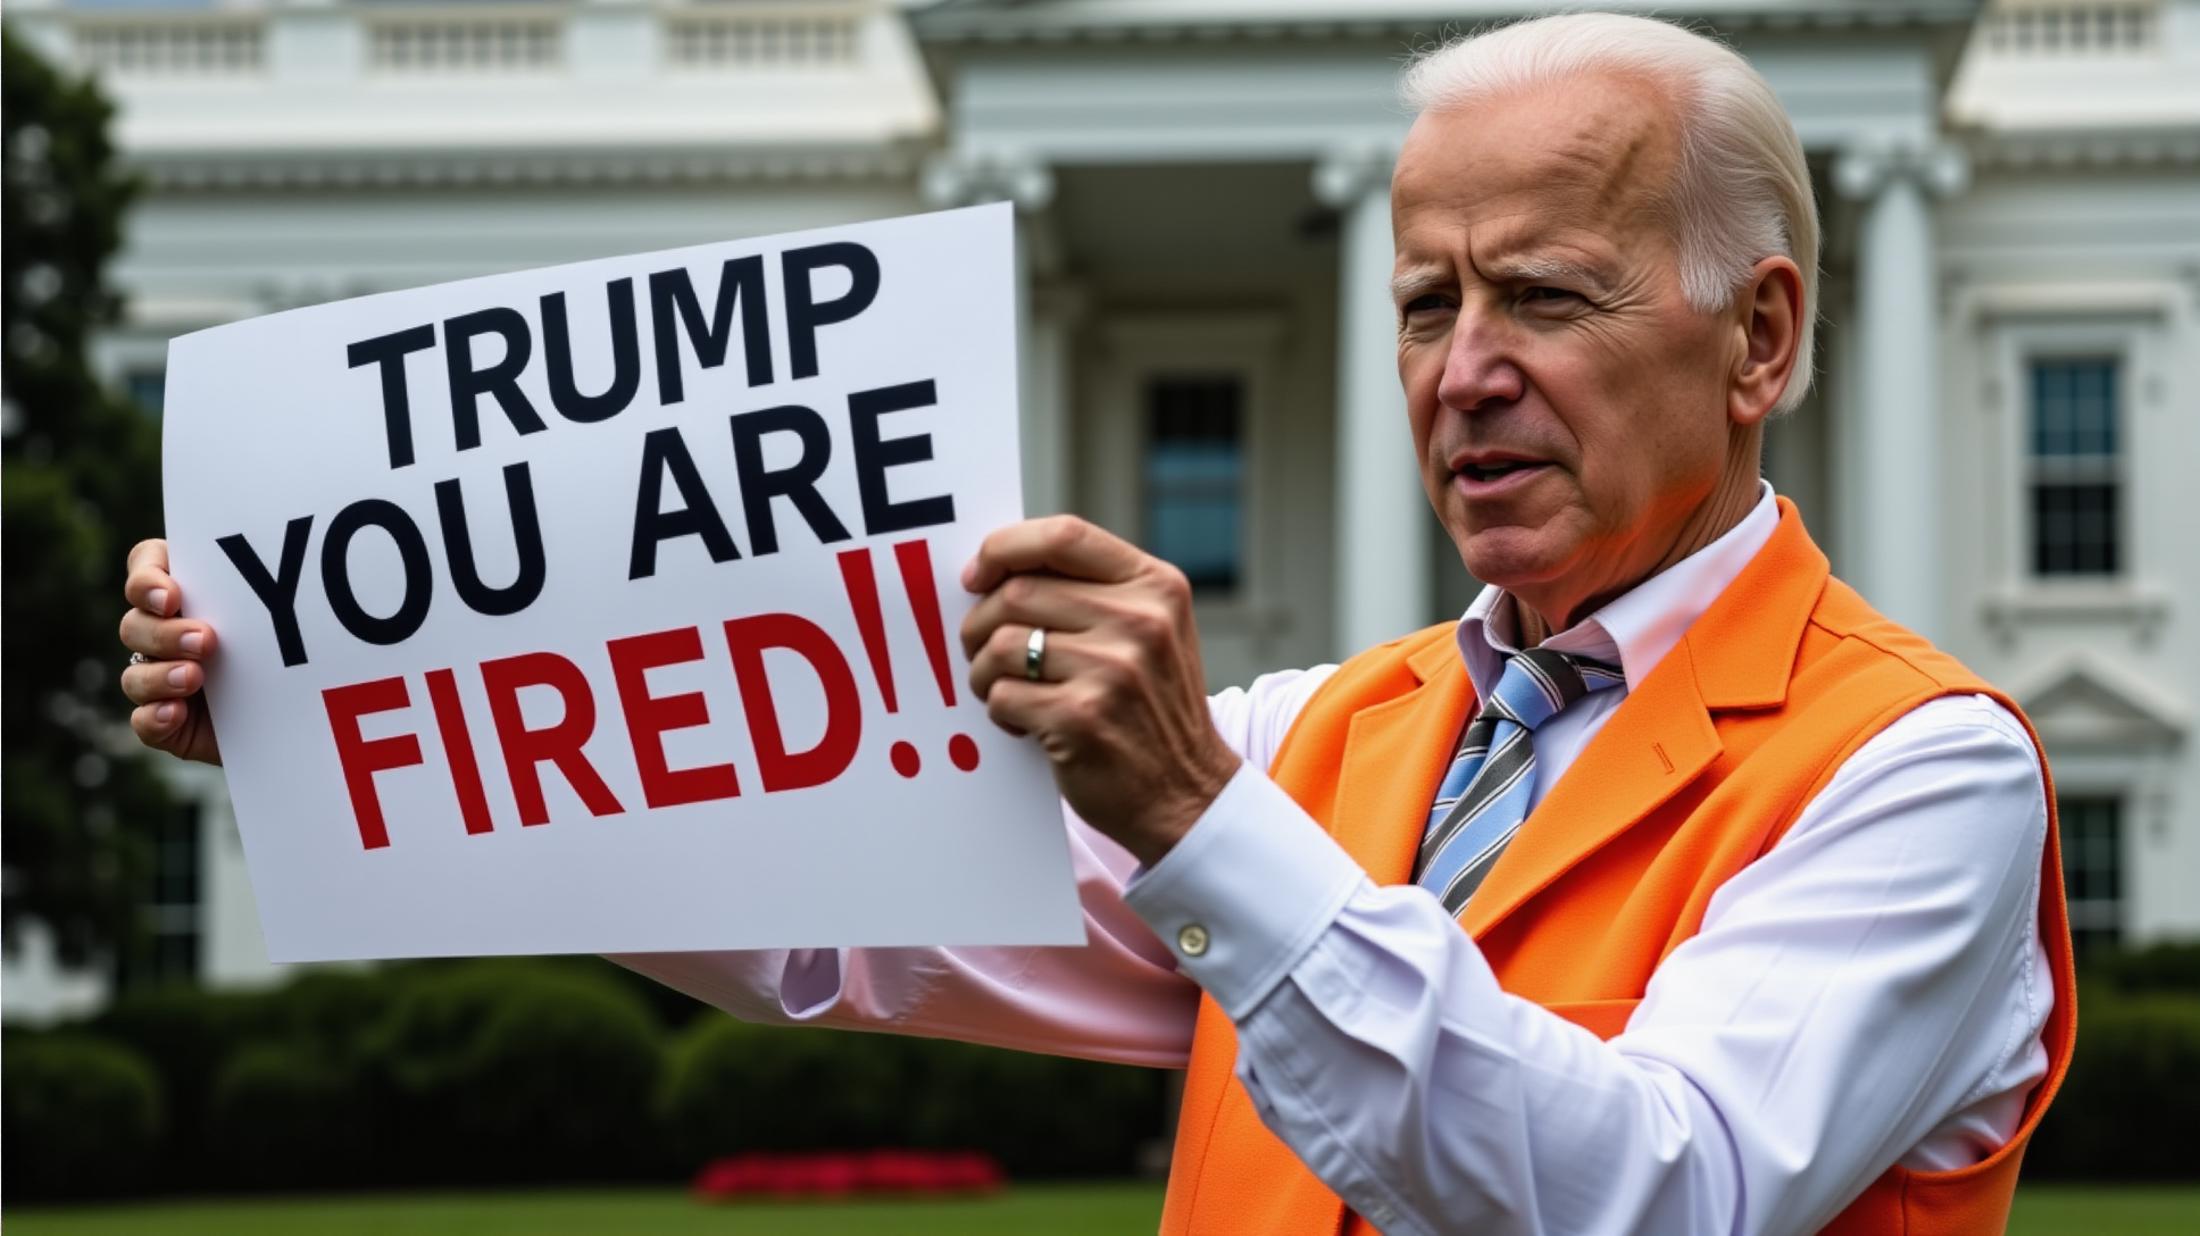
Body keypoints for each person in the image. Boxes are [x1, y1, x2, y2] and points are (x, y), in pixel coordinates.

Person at [117, 13, 2073, 1235]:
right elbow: (848, 911)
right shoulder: (1331, 733)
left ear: (1759, 340)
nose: (1460, 374)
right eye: (1419, 304)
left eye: (1543, 299)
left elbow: (1663, 1198)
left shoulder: (1914, 766)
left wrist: (1196, 823)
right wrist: (372, 720)